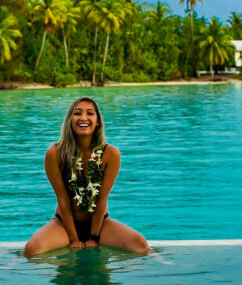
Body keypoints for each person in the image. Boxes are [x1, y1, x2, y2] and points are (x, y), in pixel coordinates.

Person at [23, 97, 148, 257]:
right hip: (64, 224)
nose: (83, 118)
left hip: (100, 224)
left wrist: (94, 237)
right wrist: (74, 238)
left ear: (97, 122)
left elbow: (102, 199)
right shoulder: (55, 153)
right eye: (77, 113)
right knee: (32, 250)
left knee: (140, 246)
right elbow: (63, 199)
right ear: (70, 120)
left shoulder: (110, 154)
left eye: (90, 113)